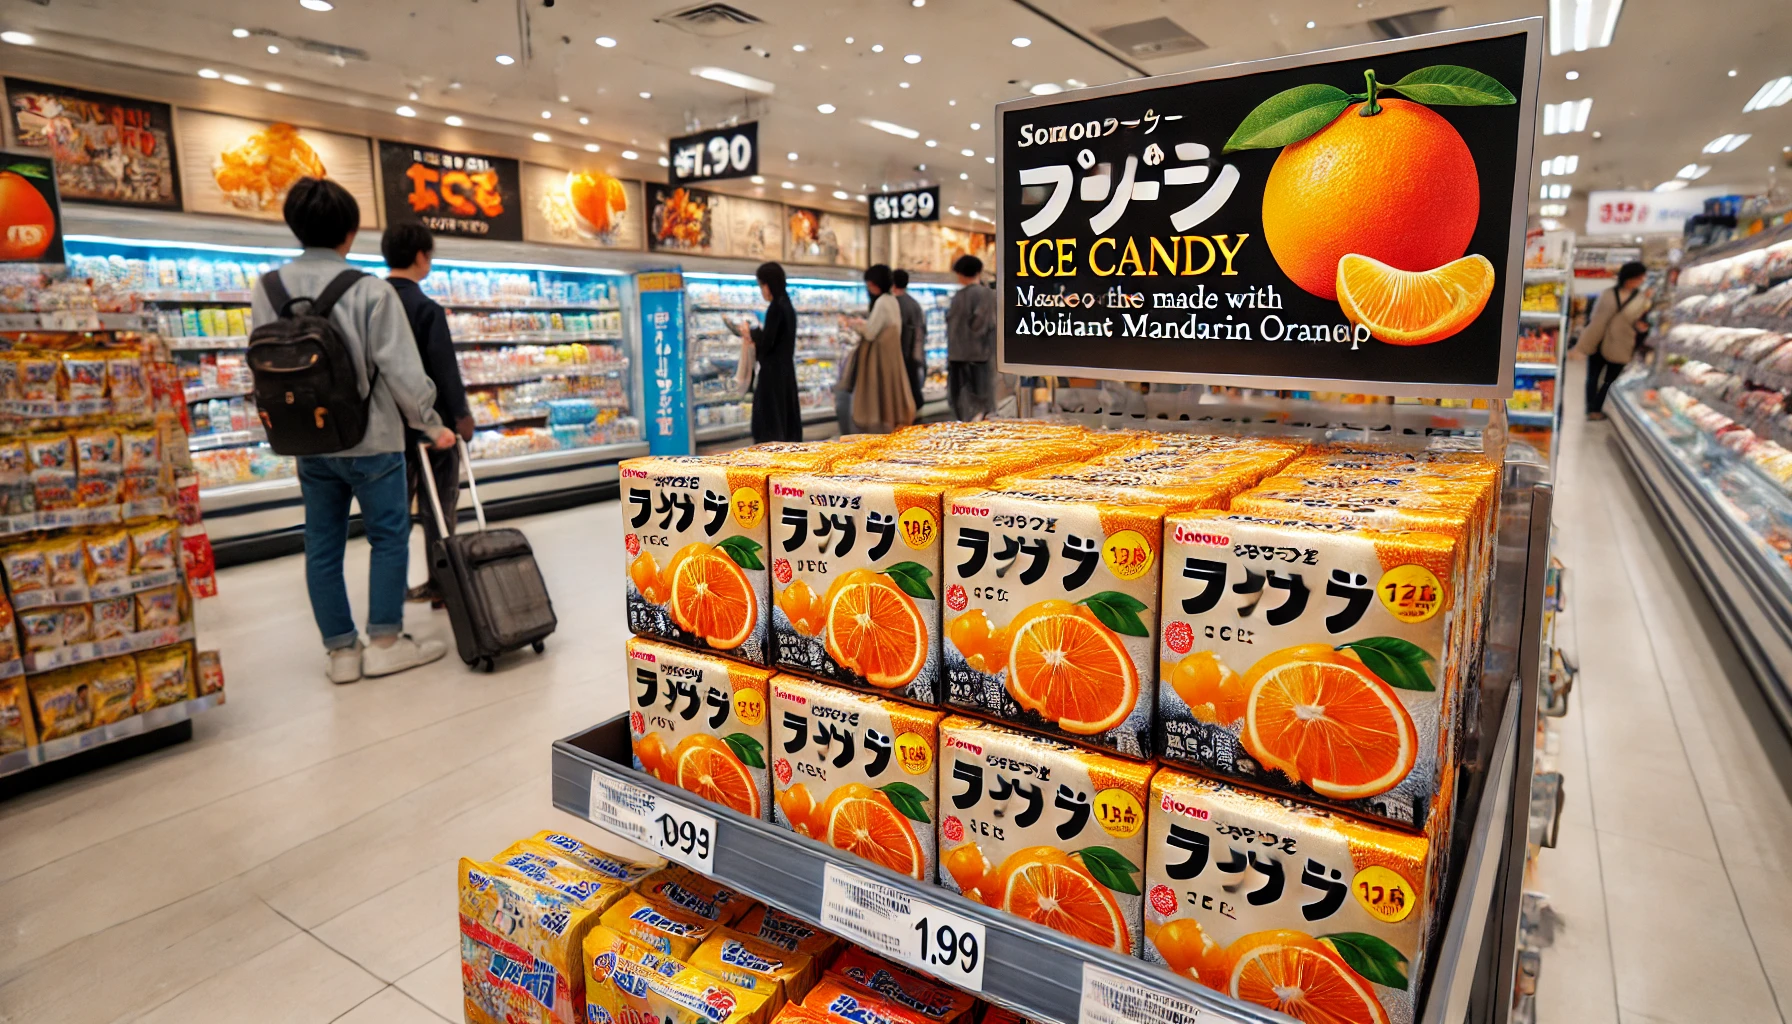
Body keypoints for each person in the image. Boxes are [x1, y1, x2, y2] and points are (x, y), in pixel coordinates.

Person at [252, 178, 456, 684]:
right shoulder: (370, 291)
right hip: (373, 440)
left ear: (295, 227)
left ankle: (341, 652)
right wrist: (431, 427)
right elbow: (404, 374)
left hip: (308, 441)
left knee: (322, 542)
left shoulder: (268, 288)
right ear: (350, 231)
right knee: (388, 537)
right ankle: (384, 641)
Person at [381, 222, 475, 606]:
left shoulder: (373, 304)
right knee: (439, 509)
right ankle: (442, 586)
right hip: (435, 428)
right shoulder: (425, 308)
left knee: (393, 514)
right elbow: (443, 368)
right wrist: (461, 416)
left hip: (386, 429)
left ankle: (392, 590)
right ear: (421, 257)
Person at [841, 264, 917, 433]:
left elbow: (870, 333)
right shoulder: (892, 300)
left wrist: (855, 324)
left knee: (879, 399)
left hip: (880, 359)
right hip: (892, 357)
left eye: (870, 284)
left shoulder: (882, 302)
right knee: (891, 397)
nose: (869, 288)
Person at [734, 261, 803, 442]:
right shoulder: (786, 305)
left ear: (769, 284)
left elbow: (767, 343)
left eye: (761, 285)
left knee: (769, 425)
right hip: (785, 374)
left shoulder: (776, 308)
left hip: (772, 376)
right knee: (785, 423)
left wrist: (751, 333)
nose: (762, 290)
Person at [1572, 260, 1650, 420]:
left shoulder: (1641, 299)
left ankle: (1597, 407)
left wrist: (1641, 326)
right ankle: (1591, 409)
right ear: (1630, 278)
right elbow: (1596, 318)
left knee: (1609, 380)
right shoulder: (1608, 294)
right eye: (1640, 277)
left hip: (1622, 343)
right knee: (1593, 377)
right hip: (1599, 340)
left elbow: (1640, 321)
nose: (1642, 281)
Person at [945, 255, 996, 421]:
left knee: (961, 406)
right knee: (982, 408)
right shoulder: (986, 294)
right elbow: (983, 324)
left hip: (958, 358)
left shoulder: (958, 297)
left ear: (960, 274)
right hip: (980, 357)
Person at [892, 269, 926, 407]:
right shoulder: (914, 303)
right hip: (915, 354)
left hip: (900, 354)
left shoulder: (894, 304)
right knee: (913, 387)